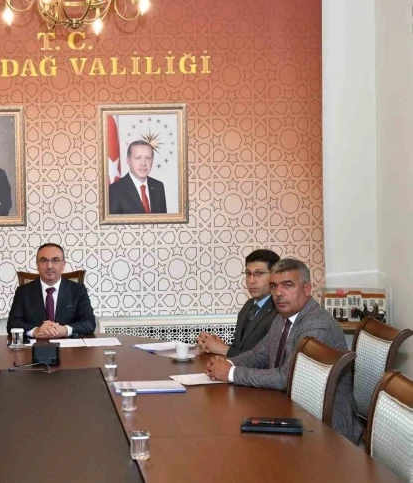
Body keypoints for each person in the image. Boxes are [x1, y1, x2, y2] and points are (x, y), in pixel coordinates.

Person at [205, 258, 362, 443]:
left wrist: (231, 373)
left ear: (307, 289)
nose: (278, 293)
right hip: (291, 410)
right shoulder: (282, 318)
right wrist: (227, 363)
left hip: (325, 431)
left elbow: (286, 378)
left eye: (288, 285)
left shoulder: (316, 325)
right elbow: (259, 354)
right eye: (274, 286)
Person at [197, 249, 280, 356]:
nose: (251, 280)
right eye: (248, 273)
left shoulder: (280, 311)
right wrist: (218, 345)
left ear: (275, 276)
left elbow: (265, 359)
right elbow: (240, 349)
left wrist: (223, 349)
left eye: (259, 273)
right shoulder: (249, 305)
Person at [7, 243, 96, 339]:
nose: (49, 266)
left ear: (63, 264)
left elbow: (89, 322)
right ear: (37, 264)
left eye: (55, 260)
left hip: (68, 345)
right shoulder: (23, 292)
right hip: (35, 345)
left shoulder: (78, 290)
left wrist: (65, 330)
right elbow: (13, 324)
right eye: (44, 260)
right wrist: (35, 331)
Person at [109, 140, 167, 214]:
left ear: (152, 160)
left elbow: (163, 219)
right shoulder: (114, 190)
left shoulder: (158, 186)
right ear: (128, 160)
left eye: (148, 158)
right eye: (138, 158)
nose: (143, 164)